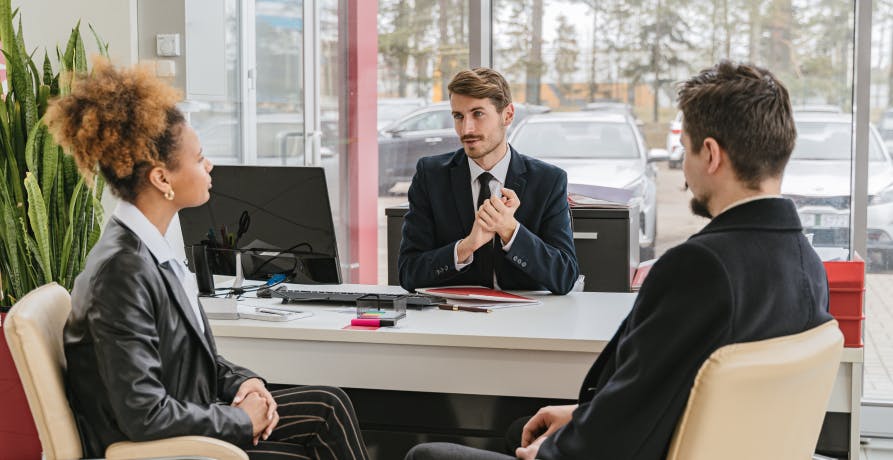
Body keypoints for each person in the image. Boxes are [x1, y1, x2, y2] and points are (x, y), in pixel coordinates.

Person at [404, 61, 835, 460]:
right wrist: (582, 416)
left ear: (710, 154)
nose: (682, 171)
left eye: (683, 150)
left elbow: (631, 419)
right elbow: (672, 398)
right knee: (521, 428)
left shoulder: (697, 268)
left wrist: (552, 453)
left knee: (425, 456)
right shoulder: (808, 266)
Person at [49, 60, 369, 460]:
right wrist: (242, 420)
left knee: (328, 406)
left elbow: (192, 358)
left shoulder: (149, 248)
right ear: (162, 179)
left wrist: (244, 384)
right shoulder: (122, 272)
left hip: (191, 419)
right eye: (199, 158)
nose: (209, 165)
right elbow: (144, 415)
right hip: (165, 451)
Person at [397, 68, 580, 295]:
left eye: (478, 114)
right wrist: (466, 247)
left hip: (527, 313)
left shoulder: (548, 181)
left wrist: (510, 230)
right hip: (451, 313)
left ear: (508, 115)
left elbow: (565, 277)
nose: (466, 129)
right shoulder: (431, 176)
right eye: (458, 116)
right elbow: (408, 273)